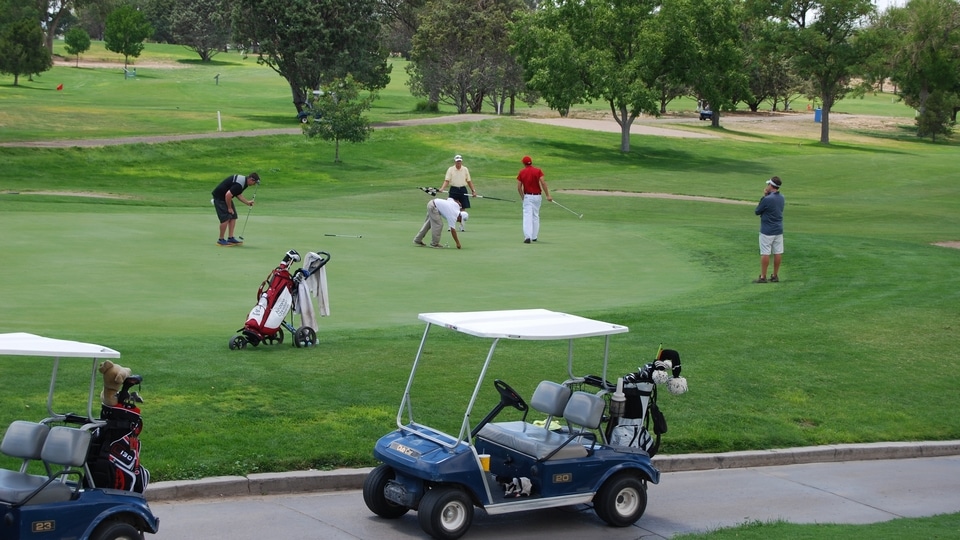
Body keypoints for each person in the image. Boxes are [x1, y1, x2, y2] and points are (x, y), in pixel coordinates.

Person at [212, 172, 259, 246]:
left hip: (226, 197)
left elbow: (238, 194)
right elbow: (228, 195)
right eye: (254, 183)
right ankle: (220, 240)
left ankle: (230, 238)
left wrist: (247, 202)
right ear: (251, 179)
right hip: (220, 197)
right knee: (225, 218)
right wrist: (229, 208)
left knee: (233, 216)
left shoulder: (244, 182)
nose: (253, 185)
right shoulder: (239, 184)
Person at [754, 176, 785, 283]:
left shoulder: (767, 199)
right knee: (778, 252)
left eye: (768, 184)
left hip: (767, 230)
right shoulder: (782, 197)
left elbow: (757, 211)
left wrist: (764, 196)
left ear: (771, 186)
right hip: (778, 229)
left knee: (765, 253)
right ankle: (775, 275)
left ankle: (763, 276)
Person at [516, 155, 552, 243]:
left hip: (528, 196)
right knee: (535, 216)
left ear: (524, 163)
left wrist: (523, 198)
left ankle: (528, 237)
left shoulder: (522, 172)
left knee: (527, 216)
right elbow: (543, 183)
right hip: (538, 196)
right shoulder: (538, 171)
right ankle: (534, 236)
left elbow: (519, 187)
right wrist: (548, 195)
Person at [440, 155, 476, 231]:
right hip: (453, 190)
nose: (458, 162)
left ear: (461, 161)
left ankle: (462, 226)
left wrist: (473, 191)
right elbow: (447, 180)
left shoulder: (465, 169)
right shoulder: (451, 169)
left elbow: (469, 181)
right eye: (457, 161)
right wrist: (442, 188)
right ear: (455, 161)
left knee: (463, 208)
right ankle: (451, 226)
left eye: (460, 161)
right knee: (451, 208)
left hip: (462, 189)